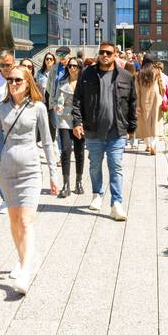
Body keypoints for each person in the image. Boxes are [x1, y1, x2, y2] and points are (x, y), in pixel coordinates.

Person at [0, 65, 58, 295]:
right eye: (10, 80)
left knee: (26, 221)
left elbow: (47, 141)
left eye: (18, 80)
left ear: (28, 83)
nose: (13, 83)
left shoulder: (38, 108)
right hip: (7, 172)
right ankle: (22, 258)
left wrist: (54, 174)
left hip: (30, 171)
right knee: (14, 221)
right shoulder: (0, 108)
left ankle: (26, 270)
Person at [72, 42, 136, 221]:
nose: (105, 55)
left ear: (115, 54)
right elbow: (77, 100)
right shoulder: (87, 74)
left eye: (108, 52)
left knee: (115, 166)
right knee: (94, 165)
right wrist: (77, 122)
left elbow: (132, 103)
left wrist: (132, 127)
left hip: (117, 131)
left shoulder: (125, 76)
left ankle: (116, 203)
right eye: (102, 52)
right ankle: (97, 194)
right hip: (93, 131)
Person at [53, 58, 85, 197]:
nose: (72, 68)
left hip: (80, 121)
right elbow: (55, 100)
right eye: (70, 66)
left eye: (75, 66)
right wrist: (57, 106)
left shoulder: (85, 83)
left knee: (79, 151)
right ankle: (66, 184)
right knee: (65, 151)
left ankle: (79, 182)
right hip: (64, 121)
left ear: (79, 68)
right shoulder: (61, 83)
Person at [135, 56, 165, 157]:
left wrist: (138, 104)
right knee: (155, 121)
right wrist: (163, 95)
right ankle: (153, 144)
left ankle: (148, 145)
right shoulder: (157, 72)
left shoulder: (138, 74)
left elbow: (137, 91)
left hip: (143, 98)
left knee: (145, 120)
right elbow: (163, 86)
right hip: (156, 98)